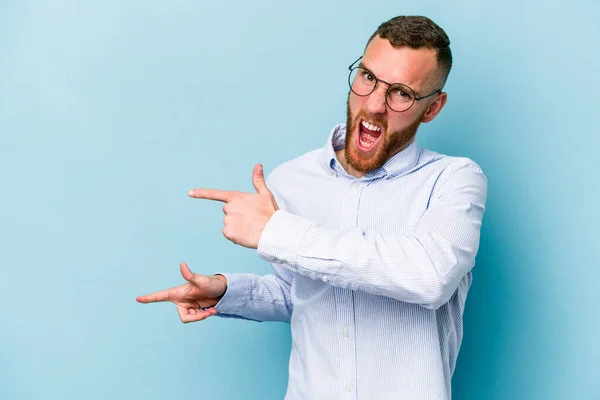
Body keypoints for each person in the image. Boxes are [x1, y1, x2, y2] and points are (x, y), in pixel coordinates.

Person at [137, 15, 487, 399]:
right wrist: (225, 291)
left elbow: (429, 276)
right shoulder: (290, 179)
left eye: (401, 92)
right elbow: (298, 293)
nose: (373, 104)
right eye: (368, 77)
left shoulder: (453, 180)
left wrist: (277, 232)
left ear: (433, 107)